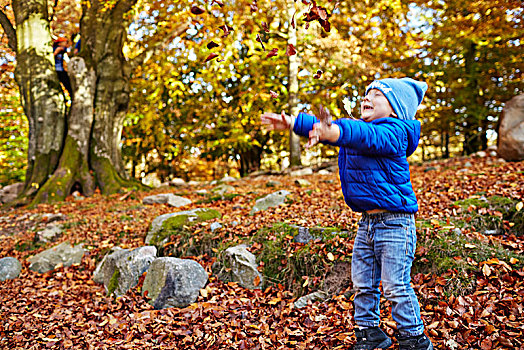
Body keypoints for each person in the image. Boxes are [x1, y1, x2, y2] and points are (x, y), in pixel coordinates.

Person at [261, 77, 433, 350]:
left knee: (395, 286)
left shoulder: (395, 133)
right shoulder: (358, 132)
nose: (367, 98)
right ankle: (369, 334)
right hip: (367, 223)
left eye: (377, 95)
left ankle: (414, 338)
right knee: (363, 283)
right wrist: (295, 123)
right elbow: (341, 129)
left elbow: (363, 135)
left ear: (395, 109)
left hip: (396, 224)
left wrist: (334, 133)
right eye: (366, 94)